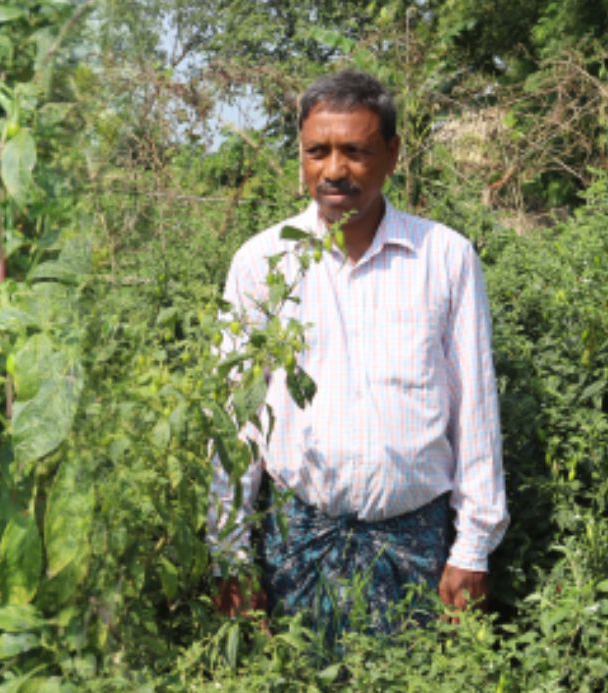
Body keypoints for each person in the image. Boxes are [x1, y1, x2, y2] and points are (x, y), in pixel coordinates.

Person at [207, 70, 507, 637]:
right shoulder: (261, 263)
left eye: (355, 151)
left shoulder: (444, 257)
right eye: (317, 152)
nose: (334, 170)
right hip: (297, 539)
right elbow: (235, 416)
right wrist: (228, 550)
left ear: (392, 154)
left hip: (416, 541)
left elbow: (476, 411)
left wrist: (473, 549)